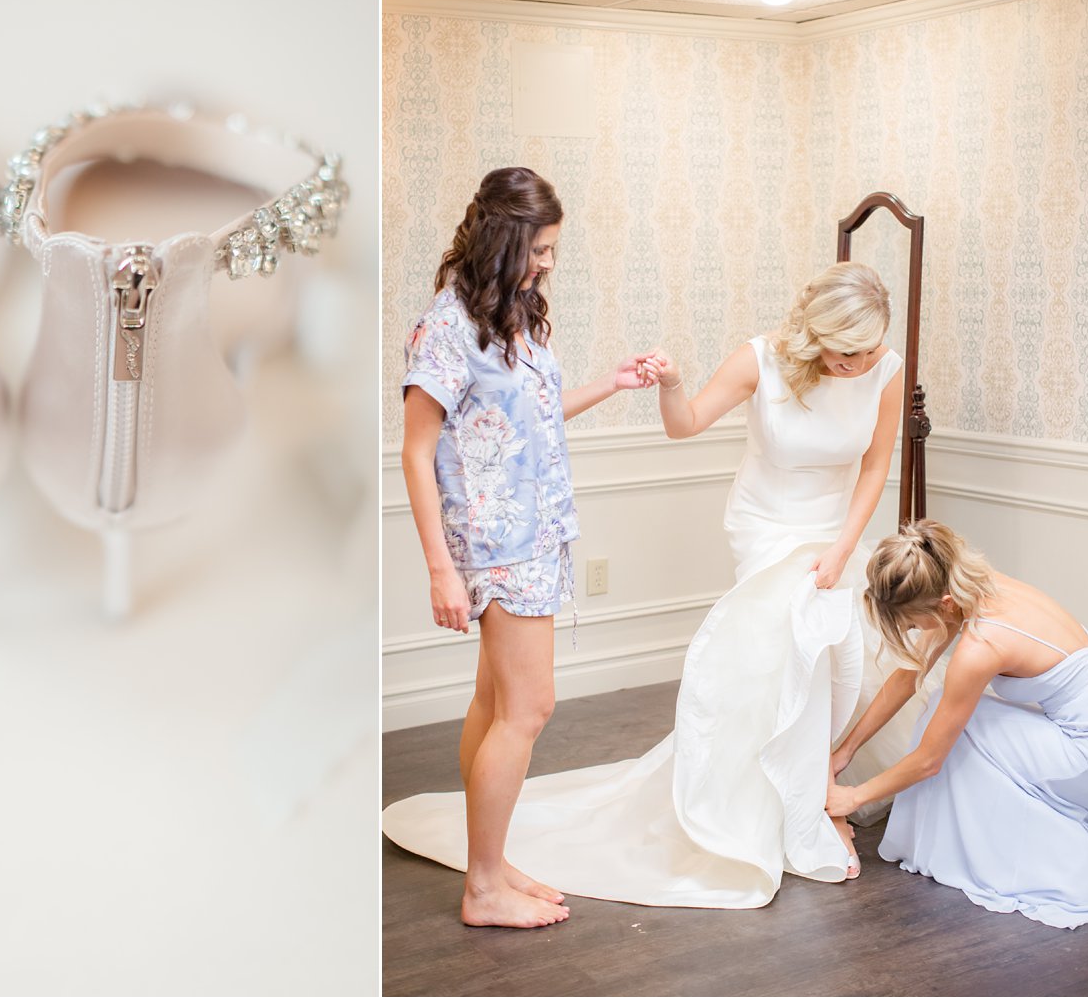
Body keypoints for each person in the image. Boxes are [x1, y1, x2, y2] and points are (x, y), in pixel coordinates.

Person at [385, 259, 912, 909]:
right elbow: (684, 422)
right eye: (846, 351)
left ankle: (811, 796)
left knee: (834, 661)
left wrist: (840, 549)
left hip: (835, 530)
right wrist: (672, 383)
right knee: (777, 660)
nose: (858, 363)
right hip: (767, 527)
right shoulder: (761, 360)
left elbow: (876, 465)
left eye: (869, 350)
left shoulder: (883, 371)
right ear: (816, 332)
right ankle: (778, 808)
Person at [397, 167, 651, 928]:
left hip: (535, 533)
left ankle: (491, 861)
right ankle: (482, 888)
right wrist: (440, 566)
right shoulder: (446, 327)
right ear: (504, 238)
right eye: (539, 248)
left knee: (495, 700)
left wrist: (611, 382)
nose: (547, 262)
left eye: (552, 249)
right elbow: (416, 449)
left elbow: (528, 417)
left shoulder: (517, 316)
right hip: (494, 541)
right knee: (529, 707)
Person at [827, 520, 1088, 928]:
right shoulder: (976, 583)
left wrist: (853, 798)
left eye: (916, 625)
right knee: (946, 707)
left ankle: (985, 846)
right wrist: (845, 752)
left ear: (944, 605)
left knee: (949, 722)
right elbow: (907, 675)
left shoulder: (983, 645)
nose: (916, 634)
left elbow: (928, 762)